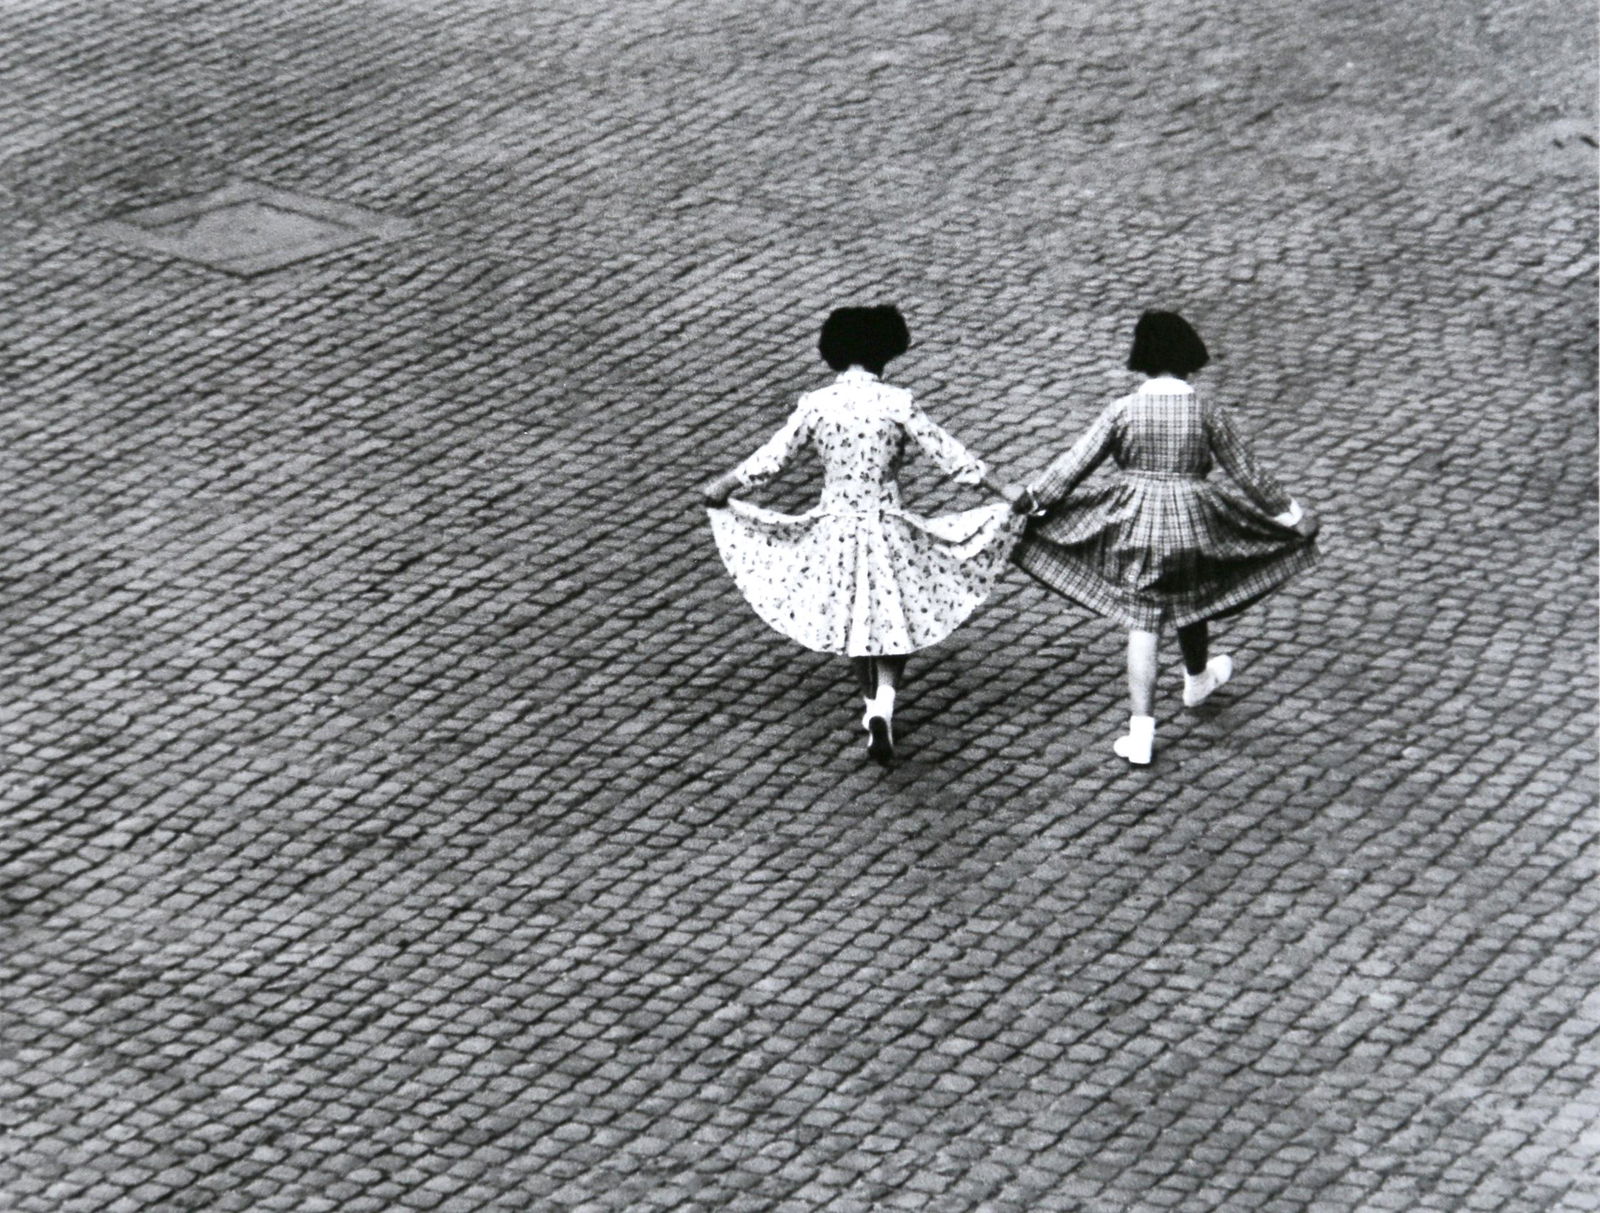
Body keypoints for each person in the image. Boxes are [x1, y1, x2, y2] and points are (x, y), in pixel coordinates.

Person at [700, 304, 1020, 764]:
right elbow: (953, 460)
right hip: (886, 523)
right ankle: (885, 703)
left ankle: (871, 706)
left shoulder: (816, 405)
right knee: (893, 616)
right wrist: (1004, 489)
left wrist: (724, 486)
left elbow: (771, 459)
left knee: (854, 616)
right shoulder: (897, 404)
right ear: (885, 352)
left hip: (835, 526)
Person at [1010, 310, 1320, 765]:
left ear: (1143, 358)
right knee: (1191, 598)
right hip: (1195, 522)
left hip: (1134, 521)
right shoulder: (1205, 411)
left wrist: (1032, 502)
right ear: (1189, 356)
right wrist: (1292, 516)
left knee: (1144, 621)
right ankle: (1196, 679)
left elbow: (1073, 466)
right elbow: (1247, 471)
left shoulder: (1123, 410)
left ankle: (1141, 734)